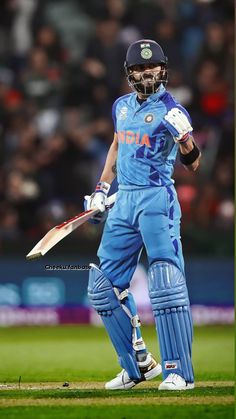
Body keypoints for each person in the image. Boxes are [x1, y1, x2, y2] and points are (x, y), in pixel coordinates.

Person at [85, 39, 201, 391]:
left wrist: (184, 140)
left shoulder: (171, 109)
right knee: (102, 288)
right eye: (138, 68)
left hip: (156, 200)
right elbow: (118, 145)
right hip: (124, 202)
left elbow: (194, 163)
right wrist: (102, 189)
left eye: (151, 67)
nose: (145, 72)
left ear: (163, 69)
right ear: (128, 73)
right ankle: (138, 366)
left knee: (165, 282)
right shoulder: (121, 107)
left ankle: (178, 372)